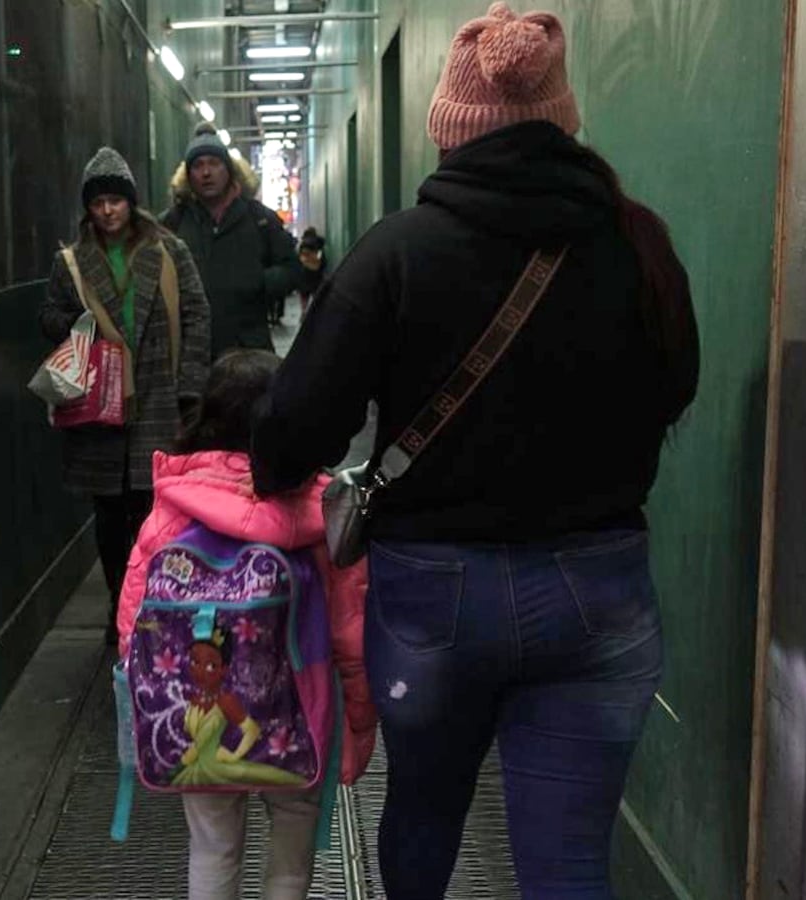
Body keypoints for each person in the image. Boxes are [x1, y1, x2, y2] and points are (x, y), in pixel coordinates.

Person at [250, 5, 701, 898]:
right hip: (599, 589)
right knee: (569, 859)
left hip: (435, 597)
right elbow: (675, 388)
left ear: (450, 131)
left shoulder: (398, 254)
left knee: (423, 813)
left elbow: (292, 433)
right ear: (562, 117)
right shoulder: (637, 241)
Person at [116, 351, 377, 900]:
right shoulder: (320, 513)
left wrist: (139, 708)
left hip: (199, 727)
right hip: (301, 716)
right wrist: (359, 724)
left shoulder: (171, 508)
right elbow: (352, 635)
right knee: (290, 859)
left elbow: (133, 623)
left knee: (213, 849)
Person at [39, 147, 211, 648]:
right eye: (99, 203)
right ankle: (122, 604)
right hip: (102, 407)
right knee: (111, 516)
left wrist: (191, 388)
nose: (108, 211)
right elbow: (48, 318)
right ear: (88, 209)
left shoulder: (169, 251)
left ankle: (159, 603)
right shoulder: (70, 263)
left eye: (116, 200)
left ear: (131, 204)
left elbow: (197, 315)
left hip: (159, 399)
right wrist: (78, 324)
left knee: (158, 509)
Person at [164, 124, 302, 356]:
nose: (206, 172)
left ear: (229, 170)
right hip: (193, 355)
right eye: (198, 166)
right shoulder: (173, 224)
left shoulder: (260, 219)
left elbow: (292, 269)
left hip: (250, 350)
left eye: (214, 164)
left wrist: (259, 281)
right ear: (188, 175)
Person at [296, 227, 327, 319]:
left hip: (305, 273)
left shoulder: (303, 245)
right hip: (317, 273)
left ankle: (304, 311)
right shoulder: (319, 244)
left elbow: (299, 259)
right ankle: (316, 312)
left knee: (304, 295)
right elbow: (322, 259)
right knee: (316, 294)